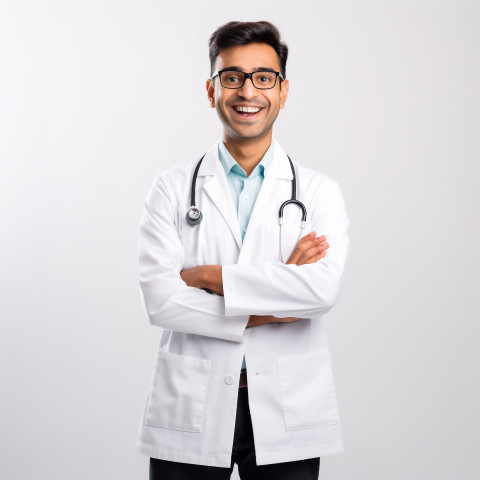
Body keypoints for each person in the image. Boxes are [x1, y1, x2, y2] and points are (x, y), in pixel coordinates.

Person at [136, 20, 349, 480]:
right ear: (211, 90)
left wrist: (209, 278)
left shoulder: (319, 192)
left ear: (283, 90)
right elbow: (161, 301)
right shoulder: (171, 190)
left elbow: (321, 292)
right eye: (231, 77)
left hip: (286, 405)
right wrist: (278, 301)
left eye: (263, 77)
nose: (246, 91)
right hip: (192, 402)